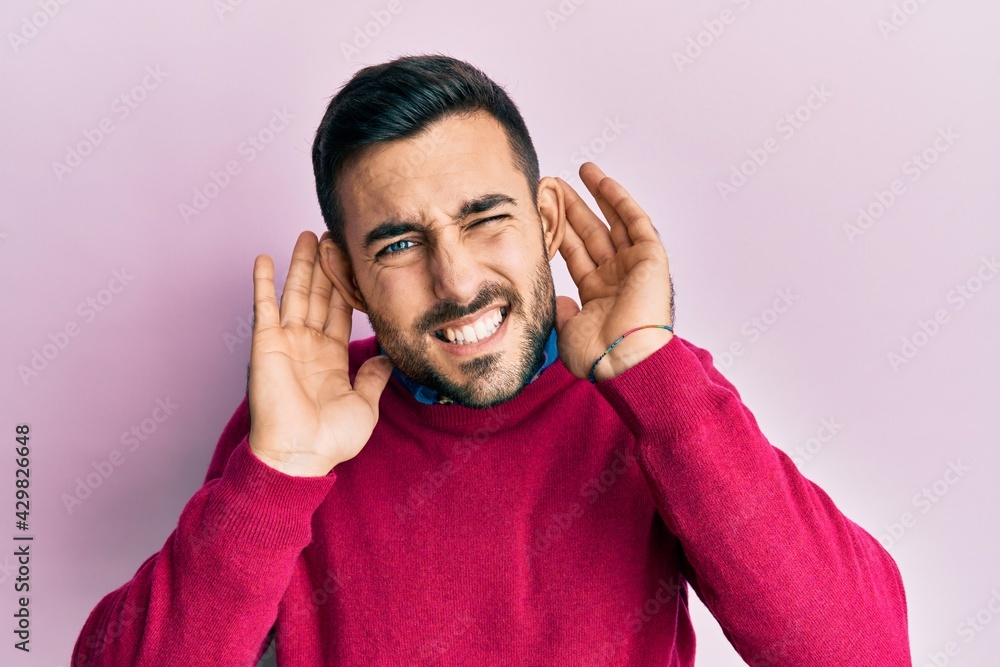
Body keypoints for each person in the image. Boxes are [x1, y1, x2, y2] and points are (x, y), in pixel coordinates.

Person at [72, 54, 911, 666]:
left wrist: (654, 373)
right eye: (400, 243)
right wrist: (278, 471)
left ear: (547, 222)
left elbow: (864, 651)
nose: (458, 279)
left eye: (485, 219)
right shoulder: (301, 425)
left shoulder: (653, 400)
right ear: (348, 277)